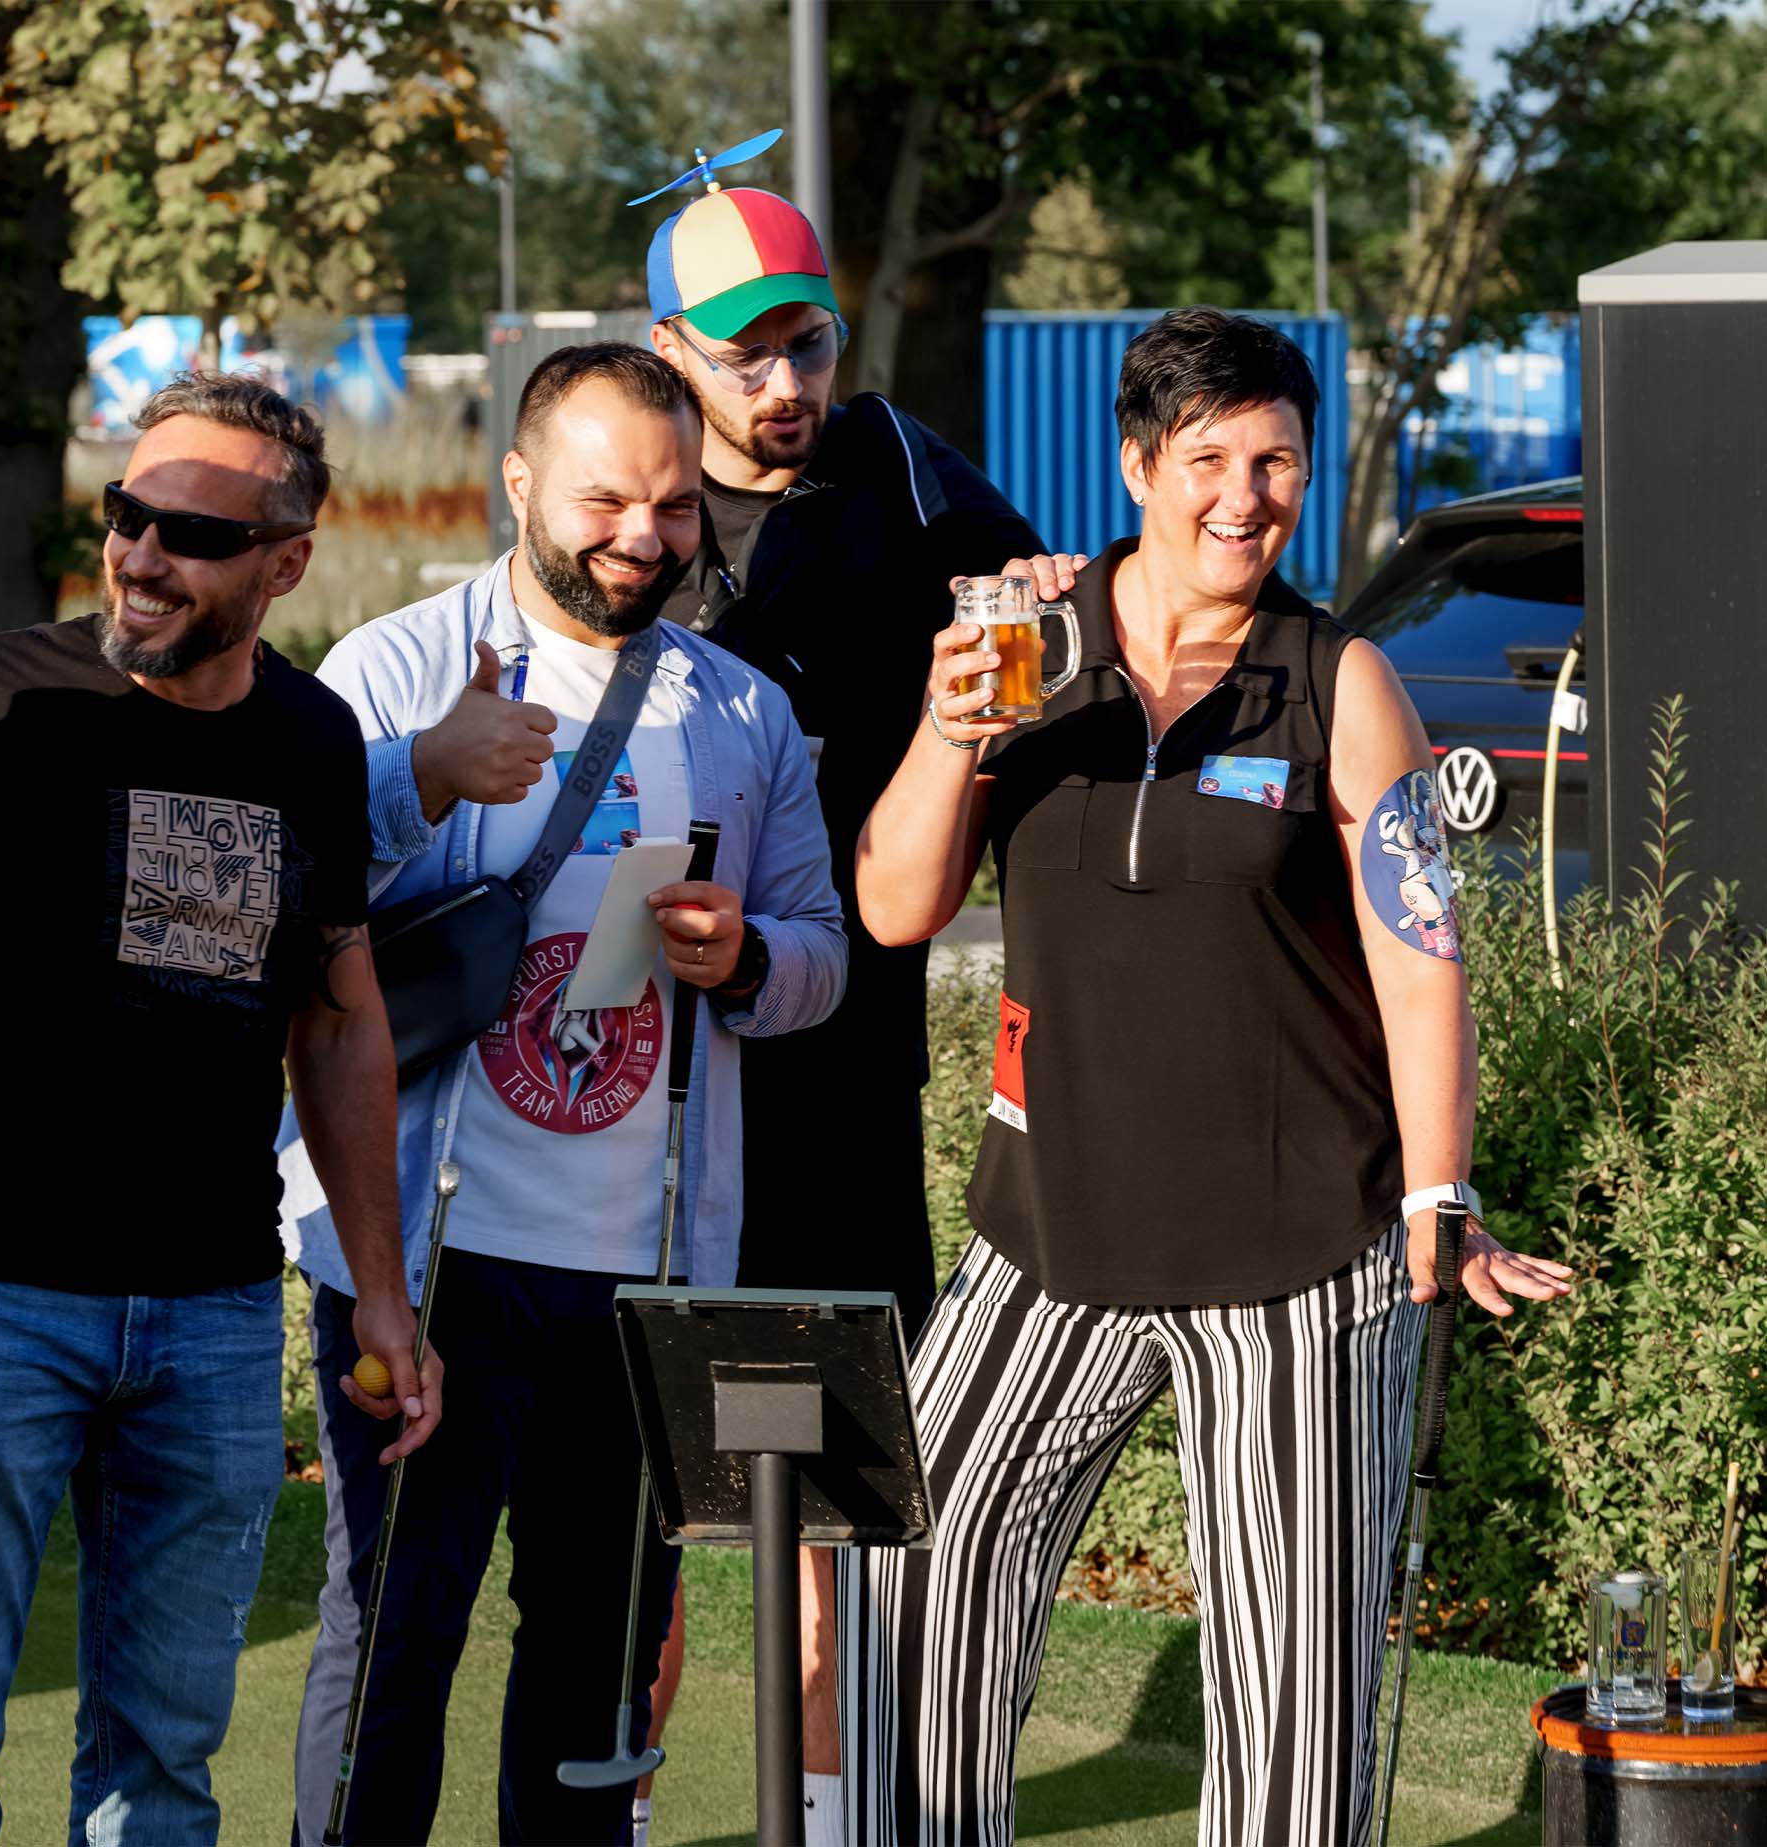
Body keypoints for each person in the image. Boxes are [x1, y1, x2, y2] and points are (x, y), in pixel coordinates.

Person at [842, 308, 1574, 1845]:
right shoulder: (1026, 650)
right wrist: (948, 724)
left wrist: (1441, 1191)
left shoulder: (1341, 680)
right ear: (1133, 465)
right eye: (1206, 460)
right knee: (917, 1591)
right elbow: (898, 907)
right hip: (1044, 1242)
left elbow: (1419, 952)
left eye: (1277, 462)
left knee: (1293, 1703)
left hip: (1298, 1260)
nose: (1244, 496)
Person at [0, 370, 421, 1846]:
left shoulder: (313, 743)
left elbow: (337, 1023)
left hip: (208, 1315)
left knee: (163, 1765)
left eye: (190, 532)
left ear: (283, 564)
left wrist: (380, 1291)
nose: (139, 554)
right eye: (126, 514)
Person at [283, 341, 846, 1845]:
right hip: (421, 1265)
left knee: (599, 1659)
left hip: (648, 1279)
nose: (642, 538)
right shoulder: (395, 669)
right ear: (517, 482)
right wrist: (421, 780)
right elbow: (285, 911)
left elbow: (823, 958)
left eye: (672, 507)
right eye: (605, 500)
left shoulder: (740, 712)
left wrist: (743, 960)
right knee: (393, 1638)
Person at [636, 175, 1077, 1844]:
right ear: (668, 353)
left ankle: (832, 1824)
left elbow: (1023, 616)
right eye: (742, 354)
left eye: (804, 341)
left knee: (828, 1508)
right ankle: (613, 1796)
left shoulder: (898, 462)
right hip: (652, 1101)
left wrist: (1031, 604)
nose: (781, 383)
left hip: (837, 1076)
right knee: (652, 1519)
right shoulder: (632, 517)